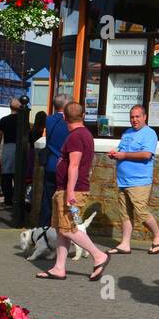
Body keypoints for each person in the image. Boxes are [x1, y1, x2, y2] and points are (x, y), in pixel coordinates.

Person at [36, 101, 109, 281]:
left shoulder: (76, 136)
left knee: (68, 228)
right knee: (62, 228)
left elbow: (74, 165)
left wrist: (69, 191)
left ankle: (98, 255)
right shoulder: (85, 134)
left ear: (65, 118)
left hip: (72, 190)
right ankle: (59, 267)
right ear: (82, 115)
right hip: (68, 189)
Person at [107, 104, 159, 255]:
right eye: (132, 117)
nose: (134, 120)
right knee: (125, 213)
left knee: (141, 212)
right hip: (123, 180)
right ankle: (125, 243)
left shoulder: (149, 133)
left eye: (137, 116)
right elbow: (122, 149)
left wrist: (124, 155)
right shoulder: (127, 133)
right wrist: (115, 153)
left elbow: (146, 154)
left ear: (145, 117)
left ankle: (158, 236)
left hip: (139, 180)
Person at [38, 95, 69, 233]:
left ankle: (43, 229)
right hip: (64, 165)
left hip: (50, 163)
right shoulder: (68, 121)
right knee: (64, 200)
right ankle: (62, 228)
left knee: (47, 199)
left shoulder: (49, 119)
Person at [0, 98, 22, 207]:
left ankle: (8, 199)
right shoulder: (23, 120)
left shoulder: (3, 120)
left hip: (8, 147)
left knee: (6, 174)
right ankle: (18, 199)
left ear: (10, 107)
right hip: (21, 148)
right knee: (18, 175)